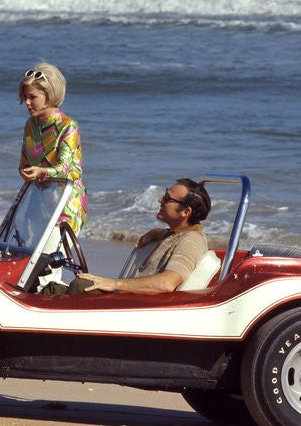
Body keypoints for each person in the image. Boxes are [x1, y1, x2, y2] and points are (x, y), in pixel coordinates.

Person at [72, 179, 211, 295]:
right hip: (128, 300)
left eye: (167, 198)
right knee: (53, 288)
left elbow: (167, 283)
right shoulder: (178, 233)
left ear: (185, 212)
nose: (160, 199)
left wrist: (114, 283)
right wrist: (158, 232)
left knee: (80, 284)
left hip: (135, 307)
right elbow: (176, 236)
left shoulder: (192, 240)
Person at [18, 62, 87, 232]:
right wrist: (24, 171)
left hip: (65, 205)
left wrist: (41, 172)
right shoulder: (30, 125)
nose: (26, 102)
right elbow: (24, 162)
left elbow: (68, 169)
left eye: (32, 97)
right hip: (38, 202)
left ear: (49, 96)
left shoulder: (68, 126)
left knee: (55, 256)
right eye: (25, 96)